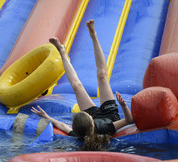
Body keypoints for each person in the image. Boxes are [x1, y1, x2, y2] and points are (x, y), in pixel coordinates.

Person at [31, 20, 133, 150]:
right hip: (110, 116)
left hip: (92, 122)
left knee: (76, 86)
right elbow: (128, 120)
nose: (87, 112)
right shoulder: (105, 127)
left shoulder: (79, 132)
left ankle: (62, 51)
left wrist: (47, 117)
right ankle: (93, 35)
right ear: (91, 124)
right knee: (102, 75)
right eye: (87, 115)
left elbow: (63, 126)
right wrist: (123, 106)